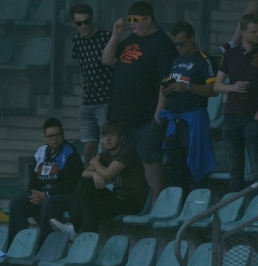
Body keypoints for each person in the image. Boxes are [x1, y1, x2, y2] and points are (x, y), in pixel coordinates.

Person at [101, 1, 178, 204]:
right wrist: (116, 34)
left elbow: (166, 82)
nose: (132, 24)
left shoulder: (162, 43)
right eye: (130, 20)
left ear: (149, 19)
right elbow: (107, 59)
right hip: (121, 115)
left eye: (136, 20)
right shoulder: (130, 39)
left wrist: (157, 117)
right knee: (122, 163)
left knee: (150, 161)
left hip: (145, 117)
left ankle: (156, 205)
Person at [214, 14, 258, 194]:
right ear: (243, 33)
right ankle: (236, 210)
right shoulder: (230, 54)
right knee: (235, 170)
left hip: (253, 117)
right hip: (231, 115)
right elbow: (217, 85)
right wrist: (232, 87)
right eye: (253, 32)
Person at [51, 120, 146, 241]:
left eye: (112, 135)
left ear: (121, 138)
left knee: (90, 208)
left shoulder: (127, 152)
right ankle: (74, 228)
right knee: (85, 185)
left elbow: (107, 175)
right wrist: (95, 174)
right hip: (117, 197)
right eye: (105, 135)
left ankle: (81, 236)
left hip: (133, 201)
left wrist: (95, 162)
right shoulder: (105, 155)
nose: (107, 139)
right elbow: (84, 173)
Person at [156, 21, 218, 191]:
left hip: (193, 120)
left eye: (182, 43)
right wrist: (166, 89)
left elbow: (214, 90)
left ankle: (197, 207)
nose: (179, 48)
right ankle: (178, 209)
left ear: (192, 38)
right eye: (176, 44)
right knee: (177, 168)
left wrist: (188, 87)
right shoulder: (176, 60)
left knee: (195, 165)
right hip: (174, 120)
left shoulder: (205, 60)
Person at [7, 118, 83, 246]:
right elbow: (34, 180)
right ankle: (16, 247)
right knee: (17, 203)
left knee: (49, 203)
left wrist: (47, 194)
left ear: (63, 135)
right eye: (51, 136)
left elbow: (73, 184)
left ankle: (44, 250)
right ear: (45, 138)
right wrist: (34, 193)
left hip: (66, 196)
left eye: (58, 135)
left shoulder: (70, 152)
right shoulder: (41, 152)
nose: (55, 139)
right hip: (44, 195)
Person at [71, 4, 114, 163]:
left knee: (107, 144)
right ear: (74, 23)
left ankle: (109, 178)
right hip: (87, 101)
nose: (83, 26)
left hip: (106, 100)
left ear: (92, 19)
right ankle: (90, 180)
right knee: (89, 147)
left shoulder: (106, 37)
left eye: (86, 21)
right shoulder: (76, 41)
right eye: (78, 23)